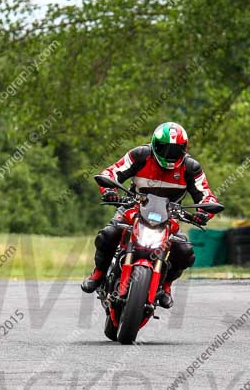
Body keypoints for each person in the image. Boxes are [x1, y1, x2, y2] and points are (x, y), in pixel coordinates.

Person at [80, 122, 219, 308]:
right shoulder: (140, 155)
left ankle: (166, 286)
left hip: (168, 217)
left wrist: (203, 213)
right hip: (133, 208)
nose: (169, 154)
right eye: (164, 148)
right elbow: (112, 172)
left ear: (184, 149)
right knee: (108, 234)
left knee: (185, 251)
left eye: (175, 150)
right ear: (154, 144)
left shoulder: (190, 167)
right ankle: (98, 274)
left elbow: (206, 195)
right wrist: (108, 190)